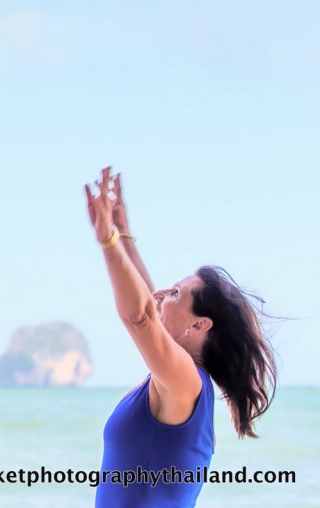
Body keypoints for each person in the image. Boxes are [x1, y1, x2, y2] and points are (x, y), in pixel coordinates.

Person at [85, 167, 277, 507]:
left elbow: (141, 316)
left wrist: (108, 242)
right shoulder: (179, 382)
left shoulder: (186, 384)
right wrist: (123, 234)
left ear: (199, 326)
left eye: (175, 293)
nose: (160, 292)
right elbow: (148, 305)